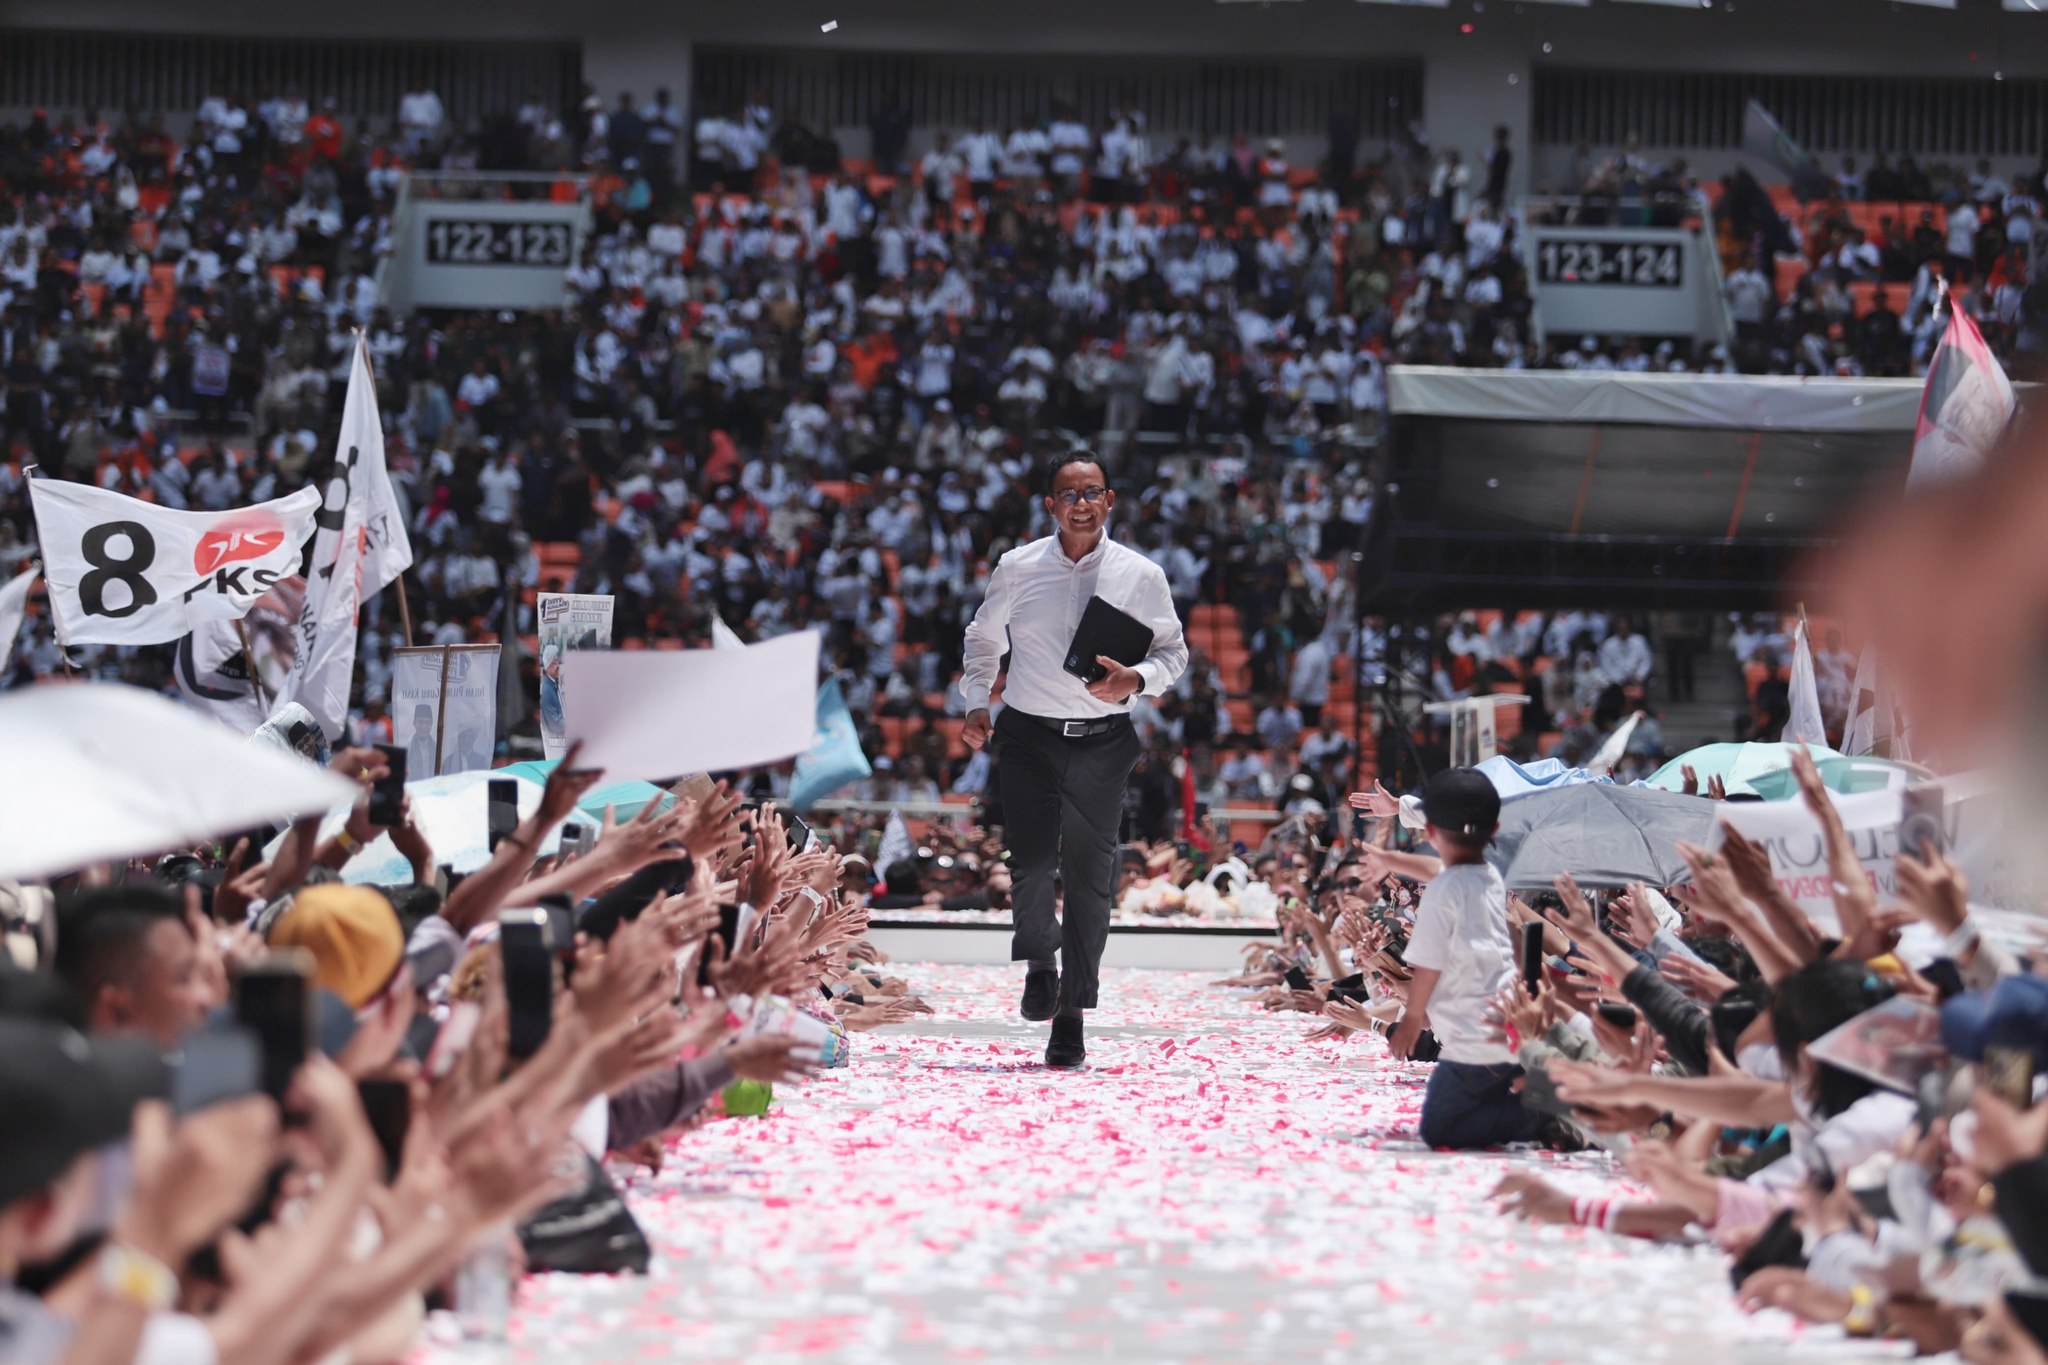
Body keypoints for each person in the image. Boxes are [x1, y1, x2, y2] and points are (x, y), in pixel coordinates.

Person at [960, 451, 1187, 1068]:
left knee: (1091, 878)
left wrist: (1135, 681)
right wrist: (979, 701)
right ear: (1050, 505)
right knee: (1031, 865)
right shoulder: (1018, 566)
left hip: (1105, 738)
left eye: (1092, 493)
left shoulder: (1141, 576)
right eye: (1069, 494)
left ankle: (1070, 1014)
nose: (1081, 504)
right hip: (1028, 734)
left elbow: (1174, 653)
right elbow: (983, 637)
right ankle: (1040, 960)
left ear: (1109, 501)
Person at [1386, 768, 1550, 1150]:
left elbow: (1429, 963)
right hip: (1506, 1019)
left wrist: (1411, 1019)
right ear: (1494, 828)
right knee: (1489, 1090)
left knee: (1441, 1128)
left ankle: (1544, 1115)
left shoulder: (1443, 888)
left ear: (1428, 832)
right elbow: (1441, 867)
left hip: (1472, 1037)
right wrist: (1389, 859)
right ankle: (1537, 1101)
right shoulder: (1489, 874)